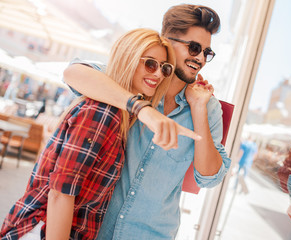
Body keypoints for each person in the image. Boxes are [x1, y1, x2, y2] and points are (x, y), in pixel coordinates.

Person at [0, 28, 190, 240]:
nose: (157, 74)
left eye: (164, 68)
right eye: (150, 64)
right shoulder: (103, 111)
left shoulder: (119, 114)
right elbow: (60, 193)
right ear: (128, 59)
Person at [63, 4, 231, 239]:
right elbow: (74, 73)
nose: (200, 58)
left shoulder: (208, 107)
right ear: (166, 41)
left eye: (207, 52)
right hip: (94, 229)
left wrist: (198, 108)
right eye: (193, 48)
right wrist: (141, 108)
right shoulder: (133, 80)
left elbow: (209, 176)